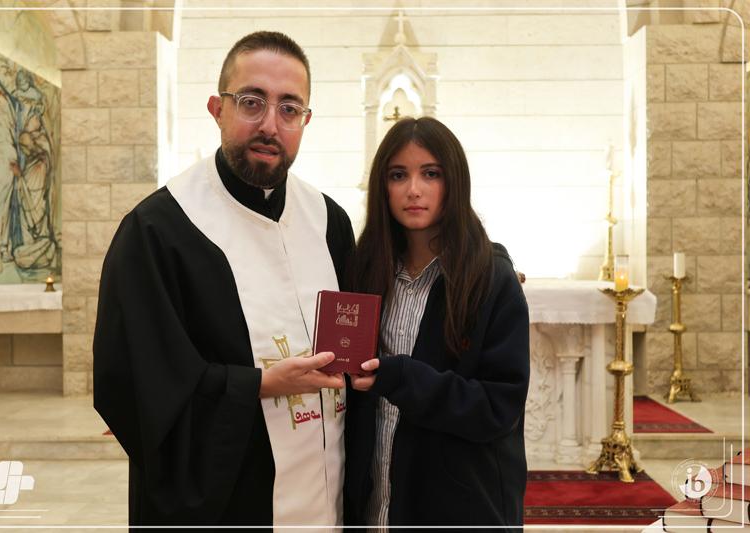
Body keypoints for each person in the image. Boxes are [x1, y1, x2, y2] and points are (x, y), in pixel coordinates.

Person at [93, 31, 355, 527]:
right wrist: (259, 385)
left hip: (327, 498)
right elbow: (134, 383)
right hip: (229, 504)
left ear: (305, 121)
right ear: (217, 109)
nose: (270, 125)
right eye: (252, 102)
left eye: (289, 108)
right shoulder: (158, 231)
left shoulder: (329, 221)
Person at [343, 116, 530, 529]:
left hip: (455, 506)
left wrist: (400, 377)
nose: (414, 189)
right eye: (398, 175)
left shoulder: (491, 278)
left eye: (431, 174)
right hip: (374, 503)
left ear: (454, 182)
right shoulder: (364, 270)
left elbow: (497, 408)